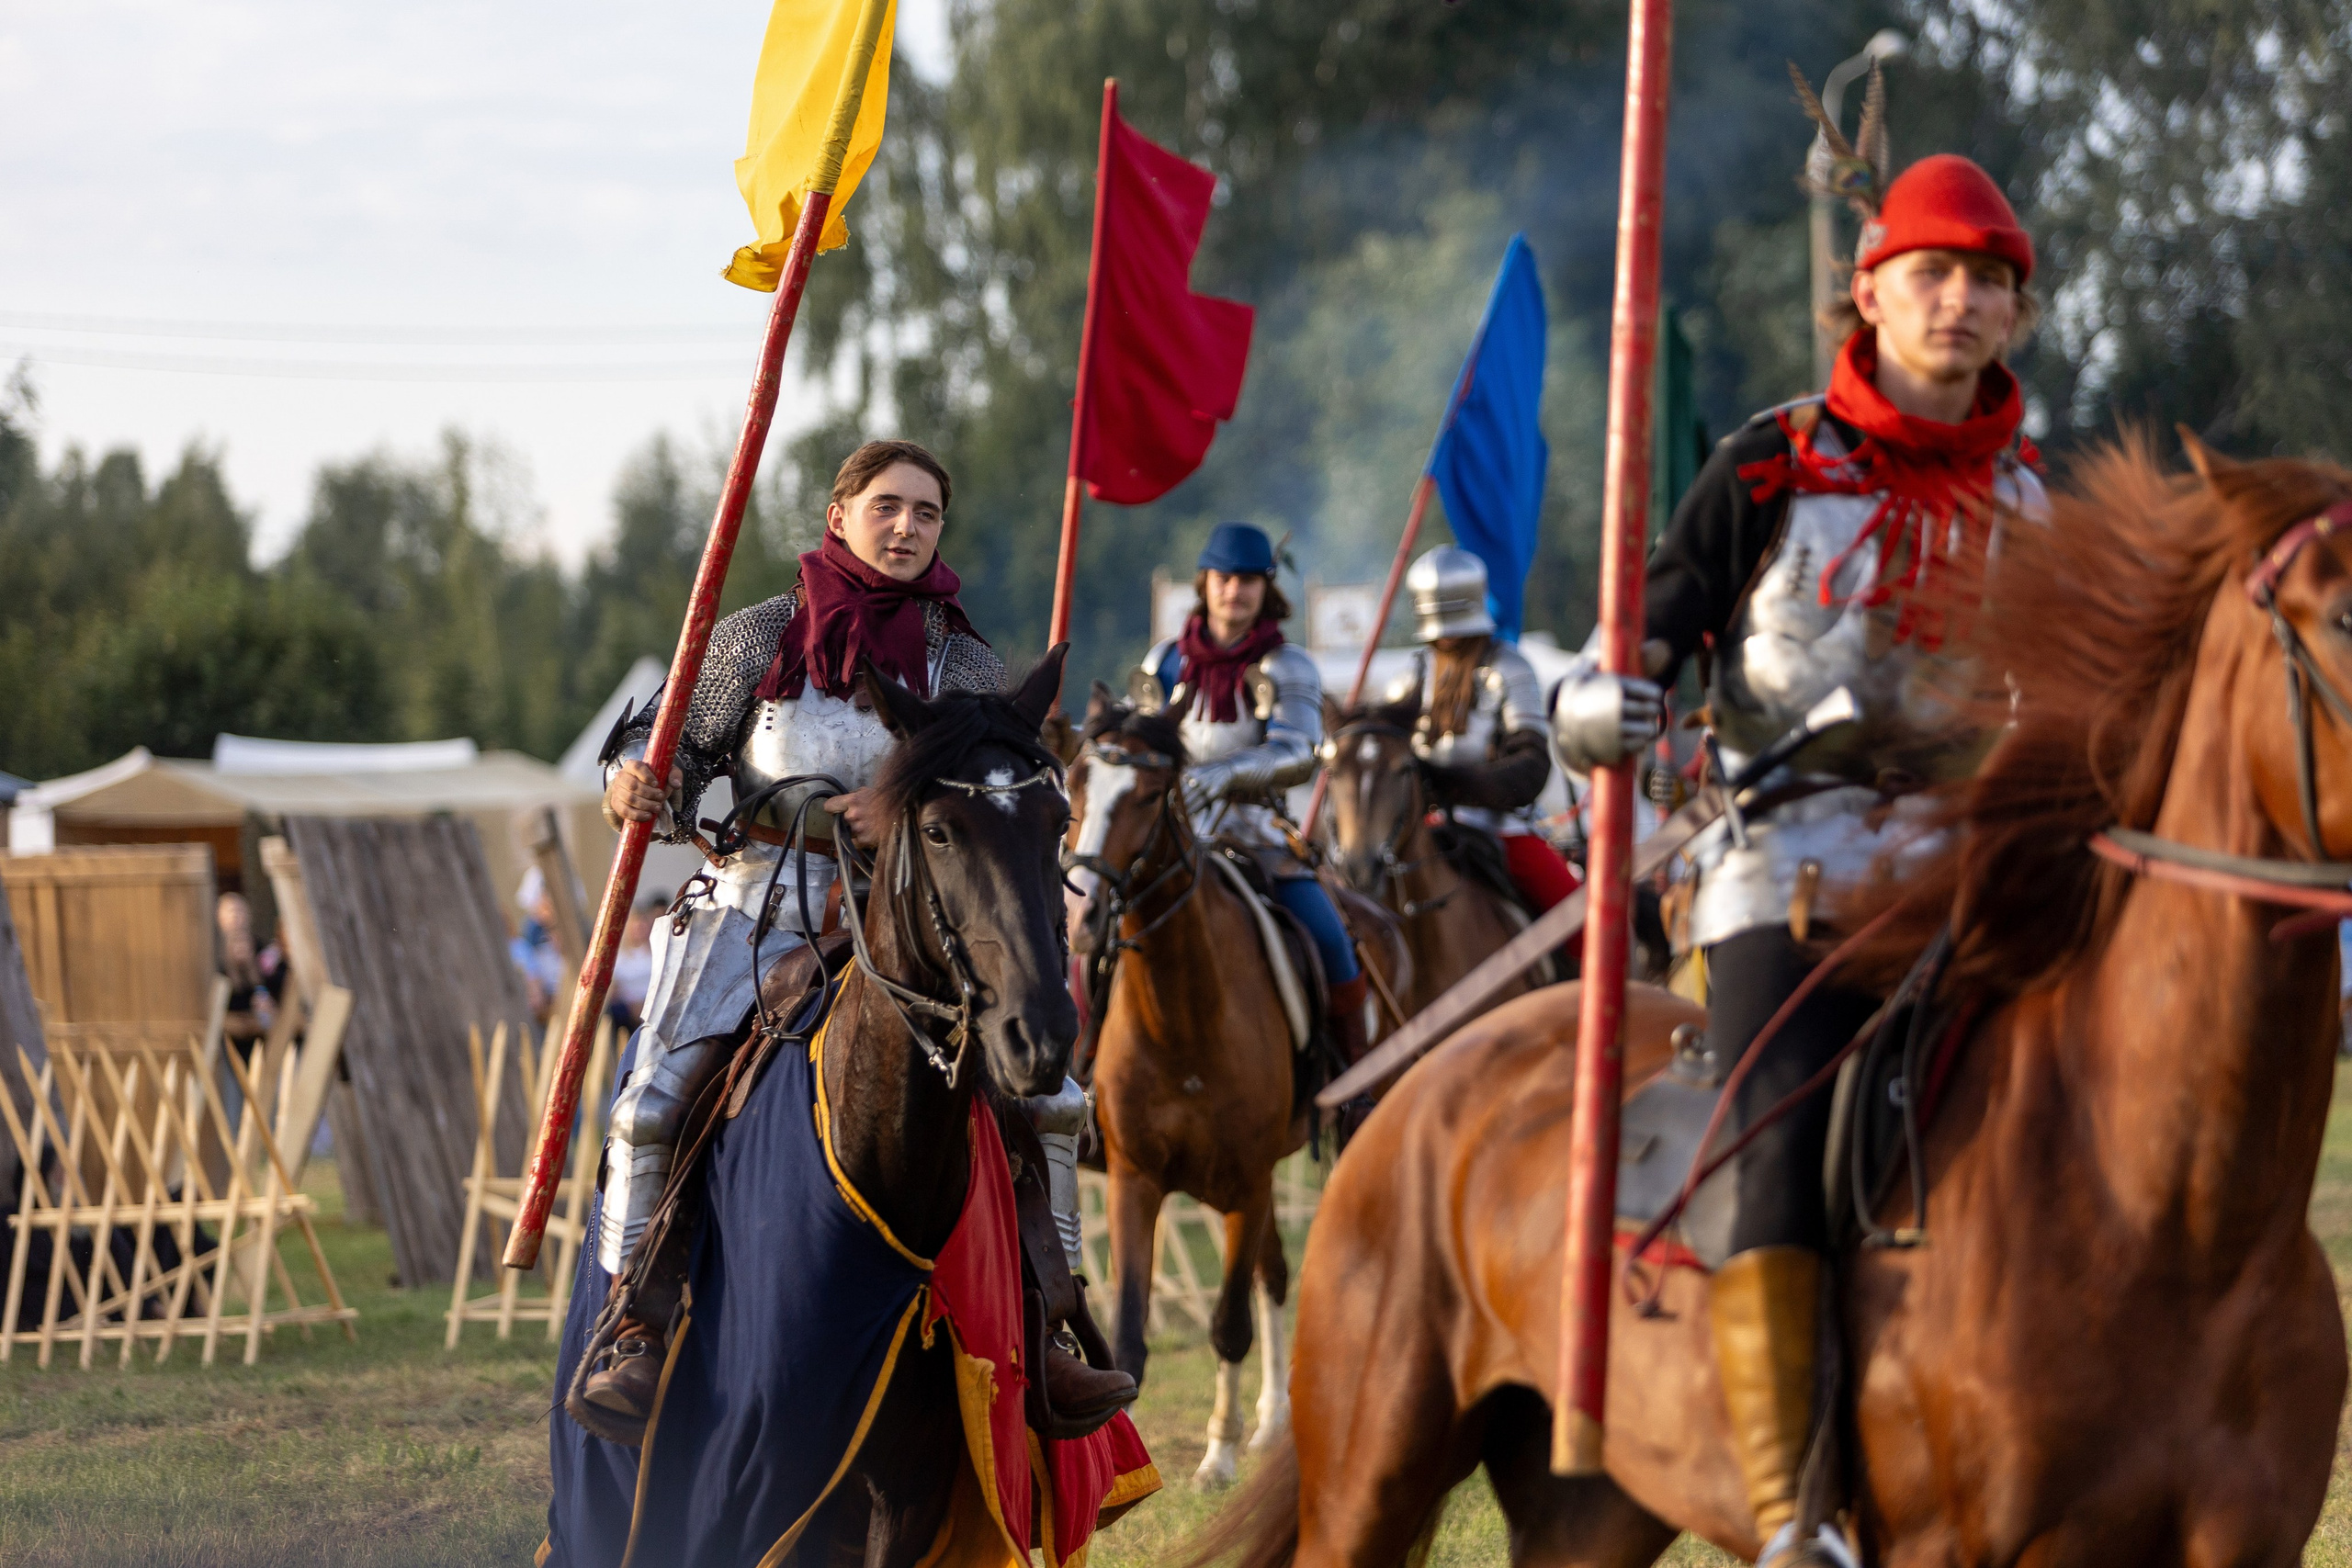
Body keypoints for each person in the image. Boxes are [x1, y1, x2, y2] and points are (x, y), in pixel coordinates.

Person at [1552, 152, 2045, 1568]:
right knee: (1776, 1128)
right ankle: (1792, 1514)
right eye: (1931, 274)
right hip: (1792, 858)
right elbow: (1644, 630)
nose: (1958, 301)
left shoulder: (2037, 487)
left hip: (1976, 863)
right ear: (1871, 290)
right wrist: (1612, 692)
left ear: (2015, 310)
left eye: (1988, 281)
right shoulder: (1769, 457)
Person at [593, 439, 1135, 1430]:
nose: (906, 527)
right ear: (838, 514)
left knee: (1048, 1097)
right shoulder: (761, 634)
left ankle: (1052, 1330)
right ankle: (636, 1327)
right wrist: (637, 782)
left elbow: (993, 786)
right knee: (654, 1103)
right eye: (887, 507)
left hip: (910, 908)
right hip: (761, 894)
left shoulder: (961, 657)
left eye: (926, 514)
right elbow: (658, 743)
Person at [1136, 523, 1371, 1070]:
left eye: (1247, 580)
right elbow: (1142, 743)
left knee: (1331, 941)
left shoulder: (1287, 664)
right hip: (1170, 832)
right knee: (1089, 928)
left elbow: (1301, 751)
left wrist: (1224, 774)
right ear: (1205, 582)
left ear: (1266, 588)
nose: (1233, 591)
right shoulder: (1165, 662)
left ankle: (1352, 1075)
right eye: (1223, 578)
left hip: (1258, 835)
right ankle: (1083, 1070)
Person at [1385, 545, 1581, 913]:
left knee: (1580, 922)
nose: (1446, 638)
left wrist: (1457, 782)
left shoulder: (1509, 668)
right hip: (1421, 831)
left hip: (1500, 829)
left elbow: (1531, 764)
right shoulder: (1410, 677)